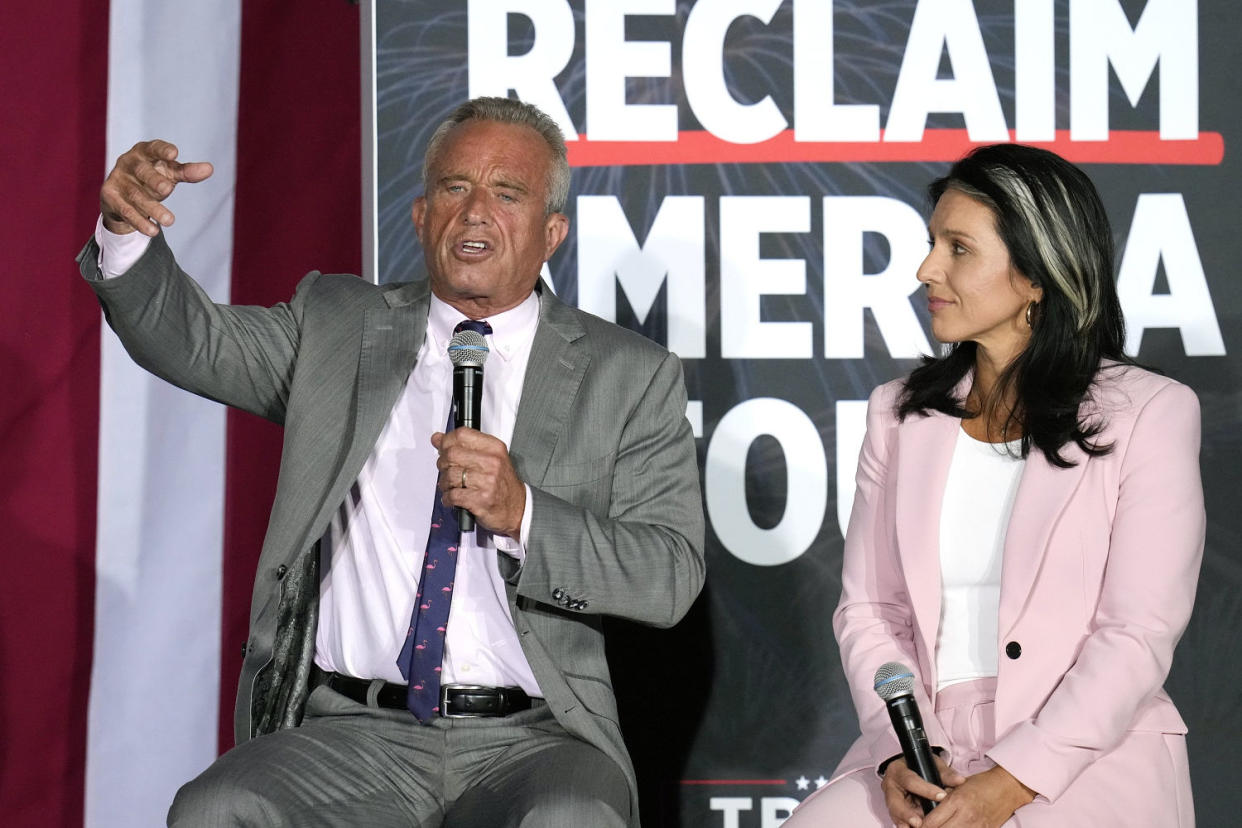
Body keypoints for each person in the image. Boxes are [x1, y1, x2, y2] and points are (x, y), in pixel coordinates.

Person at [78, 96, 705, 826]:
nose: (475, 211)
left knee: (572, 820)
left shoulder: (629, 374)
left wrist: (524, 513)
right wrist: (126, 234)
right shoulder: (338, 326)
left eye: (507, 194)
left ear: (551, 232)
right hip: (355, 732)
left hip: (537, 739)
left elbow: (668, 575)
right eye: (454, 187)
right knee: (218, 808)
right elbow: (193, 340)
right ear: (419, 215)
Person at [785, 144, 1203, 828]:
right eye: (931, 244)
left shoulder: (1151, 412)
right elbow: (869, 612)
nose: (926, 270)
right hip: (928, 751)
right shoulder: (897, 413)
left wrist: (1013, 782)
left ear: (1037, 276)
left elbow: (1137, 633)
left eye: (958, 249)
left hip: (1086, 754)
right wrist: (900, 756)